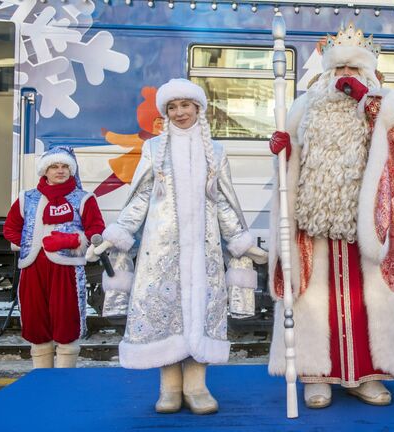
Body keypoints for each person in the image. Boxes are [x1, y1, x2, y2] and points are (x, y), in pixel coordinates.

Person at [267, 23, 394, 409]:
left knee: (363, 300)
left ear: (367, 72)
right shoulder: (304, 106)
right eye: (339, 70)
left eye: (353, 70)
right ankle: (315, 376)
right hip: (314, 223)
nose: (345, 76)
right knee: (316, 300)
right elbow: (290, 171)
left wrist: (368, 103)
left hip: (367, 223)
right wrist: (282, 153)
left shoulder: (384, 105)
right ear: (326, 72)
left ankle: (366, 377)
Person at [92, 78, 266, 415]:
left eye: (185, 105)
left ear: (198, 108)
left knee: (202, 311)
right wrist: (115, 235)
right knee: (166, 314)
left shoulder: (215, 151)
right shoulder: (154, 149)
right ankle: (169, 388)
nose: (179, 112)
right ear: (165, 113)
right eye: (172, 107)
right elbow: (140, 198)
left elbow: (224, 203)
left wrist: (242, 243)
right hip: (162, 252)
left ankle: (197, 387)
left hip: (204, 251)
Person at [3, 146, 105, 369]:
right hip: (32, 269)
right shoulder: (26, 198)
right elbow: (10, 228)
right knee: (35, 320)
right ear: (45, 171)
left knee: (66, 320)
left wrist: (71, 241)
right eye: (54, 166)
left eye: (65, 166)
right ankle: (42, 377)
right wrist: (30, 244)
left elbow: (96, 229)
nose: (60, 171)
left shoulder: (83, 198)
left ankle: (65, 378)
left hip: (66, 269)